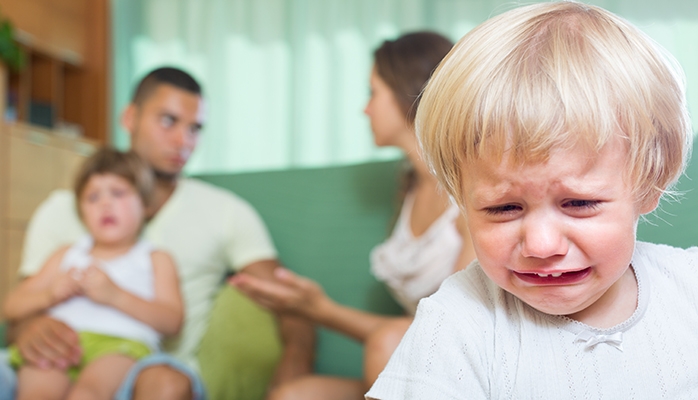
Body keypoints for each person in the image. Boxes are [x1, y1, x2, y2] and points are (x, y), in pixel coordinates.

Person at [366, 2, 697, 399]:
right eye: (503, 208)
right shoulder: (457, 318)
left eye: (578, 203)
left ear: (649, 184)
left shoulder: (688, 286)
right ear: (461, 198)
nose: (541, 246)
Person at [0, 67, 314, 400]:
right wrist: (30, 329)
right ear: (130, 117)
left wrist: (295, 363)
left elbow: (290, 300)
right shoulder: (61, 209)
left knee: (163, 383)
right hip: (56, 360)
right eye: (168, 121)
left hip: (142, 363)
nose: (183, 141)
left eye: (195, 129)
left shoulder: (227, 212)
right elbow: (20, 307)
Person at [231, 32, 476, 400]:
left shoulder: (472, 195)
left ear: (408, 90)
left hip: (463, 371)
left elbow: (451, 333)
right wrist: (309, 308)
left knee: (386, 342)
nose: (366, 109)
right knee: (294, 395)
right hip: (408, 366)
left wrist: (321, 310)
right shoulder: (410, 188)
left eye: (372, 93)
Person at [4, 148, 183, 400]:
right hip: (61, 344)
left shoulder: (155, 258)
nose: (105, 204)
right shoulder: (66, 254)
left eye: (118, 193)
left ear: (144, 204)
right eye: (93, 197)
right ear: (81, 211)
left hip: (120, 346)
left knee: (88, 394)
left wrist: (116, 297)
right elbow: (11, 305)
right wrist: (49, 295)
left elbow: (172, 321)